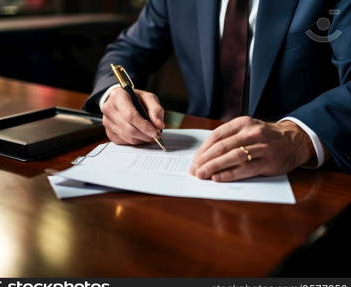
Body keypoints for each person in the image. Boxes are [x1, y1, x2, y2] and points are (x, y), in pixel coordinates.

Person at [84, 0, 351, 182]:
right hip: (190, 169)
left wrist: (298, 137)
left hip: (306, 176)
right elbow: (128, 51)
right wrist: (113, 93)